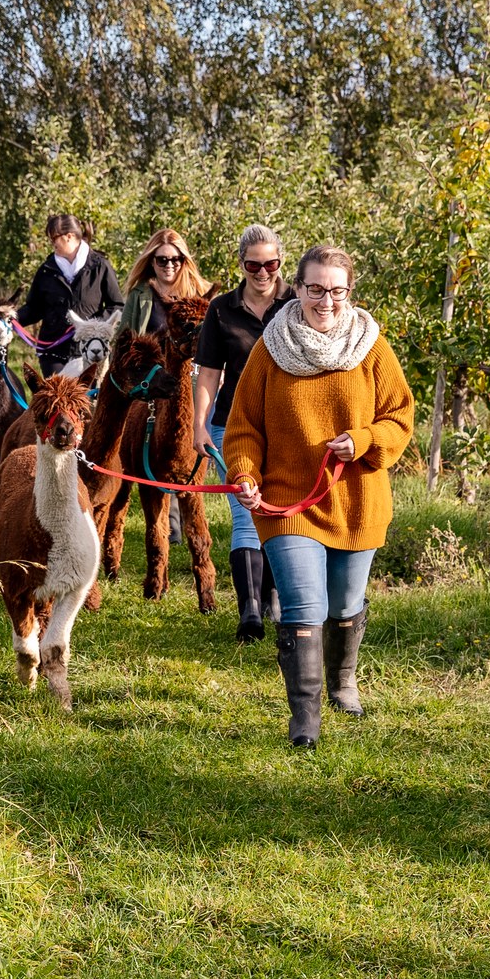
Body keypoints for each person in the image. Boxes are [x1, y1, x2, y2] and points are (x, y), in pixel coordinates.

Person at [222, 244, 414, 749]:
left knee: (344, 604)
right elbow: (244, 426)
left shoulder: (371, 348)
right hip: (287, 504)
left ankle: (343, 680)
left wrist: (365, 440)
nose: (325, 300)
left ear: (348, 292)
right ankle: (304, 718)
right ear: (298, 287)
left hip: (355, 499)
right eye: (315, 289)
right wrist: (244, 472)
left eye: (336, 290)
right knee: (303, 608)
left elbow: (400, 416)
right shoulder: (271, 348)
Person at [192, 225, 290, 642]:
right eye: (254, 264)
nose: (263, 272)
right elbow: (209, 373)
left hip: (290, 427)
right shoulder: (221, 310)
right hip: (233, 423)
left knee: (281, 511)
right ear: (241, 264)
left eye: (271, 264)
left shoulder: (298, 301)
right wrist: (200, 423)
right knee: (246, 512)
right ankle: (249, 611)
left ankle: (277, 601)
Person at [15, 214, 123, 375]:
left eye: (54, 239)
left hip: (90, 351)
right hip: (53, 353)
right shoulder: (46, 270)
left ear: (69, 237)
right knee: (58, 399)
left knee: (89, 400)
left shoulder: (100, 266)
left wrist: (92, 327)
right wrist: (10, 319)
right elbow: (33, 308)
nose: (52, 244)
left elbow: (117, 305)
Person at [119, 229, 212, 336]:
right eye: (162, 260)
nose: (169, 265)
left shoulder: (202, 295)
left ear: (183, 261)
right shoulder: (138, 295)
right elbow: (121, 342)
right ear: (151, 261)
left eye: (175, 259)